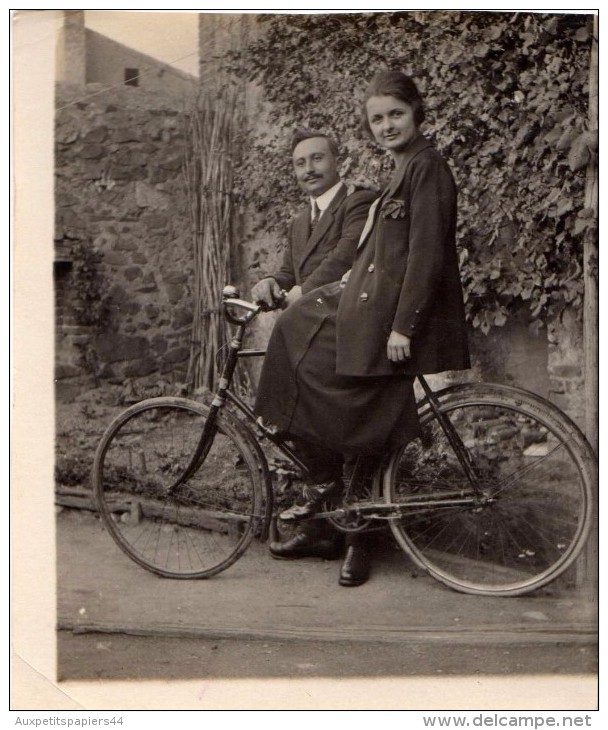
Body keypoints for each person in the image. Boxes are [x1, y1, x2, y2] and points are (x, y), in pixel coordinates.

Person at [254, 70, 471, 587]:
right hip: (372, 311)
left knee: (313, 355)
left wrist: (403, 328)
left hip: (389, 319)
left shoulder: (426, 168)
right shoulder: (403, 169)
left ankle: (350, 526)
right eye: (377, 118)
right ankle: (329, 500)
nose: (388, 124)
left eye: (396, 113)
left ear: (418, 112)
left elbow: (425, 257)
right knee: (332, 393)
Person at [251, 128, 377, 575]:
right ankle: (323, 525)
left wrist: (298, 294)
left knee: (347, 421)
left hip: (352, 331)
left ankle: (360, 538)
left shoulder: (358, 203)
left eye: (318, 159)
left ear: (336, 161)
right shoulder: (298, 220)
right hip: (316, 330)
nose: (309, 169)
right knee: (293, 410)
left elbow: (343, 261)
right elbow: (290, 271)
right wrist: (273, 282)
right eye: (301, 163)